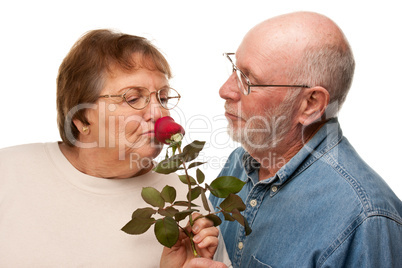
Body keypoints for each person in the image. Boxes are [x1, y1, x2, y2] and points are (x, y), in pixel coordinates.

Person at [0, 29, 231, 267]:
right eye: (132, 98)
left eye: (162, 97)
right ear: (81, 118)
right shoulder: (7, 171)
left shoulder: (189, 201)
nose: (158, 112)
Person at [207, 11, 402, 267]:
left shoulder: (366, 219)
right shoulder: (240, 161)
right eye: (234, 68)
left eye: (247, 79)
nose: (225, 90)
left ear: (310, 104)